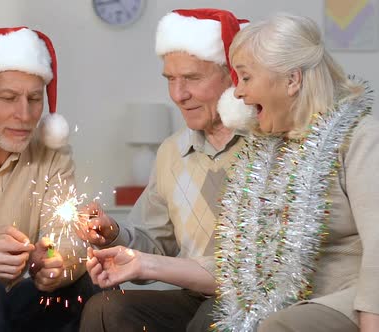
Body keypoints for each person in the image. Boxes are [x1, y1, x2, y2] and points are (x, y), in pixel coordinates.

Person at [79, 9, 252, 332]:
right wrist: (112, 235)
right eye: (171, 79)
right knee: (105, 309)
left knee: (213, 318)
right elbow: (155, 245)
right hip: (195, 296)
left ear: (232, 76)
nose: (178, 95)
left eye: (192, 78)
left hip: (252, 298)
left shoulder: (266, 145)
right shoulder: (172, 152)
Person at [209, 13, 378, 332]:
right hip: (280, 301)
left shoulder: (361, 137)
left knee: (278, 326)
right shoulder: (266, 147)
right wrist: (145, 263)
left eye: (246, 78)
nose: (238, 93)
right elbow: (241, 256)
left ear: (292, 80)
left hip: (348, 298)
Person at [0, 27, 98, 332]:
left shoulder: (52, 152)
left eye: (34, 99)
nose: (25, 114)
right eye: (9, 98)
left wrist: (56, 262)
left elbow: (66, 234)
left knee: (88, 288)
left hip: (15, 296)